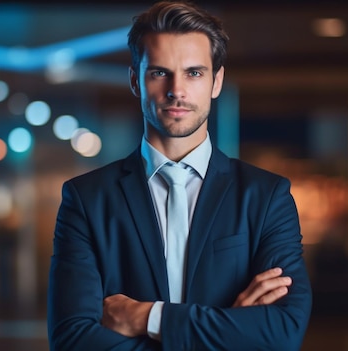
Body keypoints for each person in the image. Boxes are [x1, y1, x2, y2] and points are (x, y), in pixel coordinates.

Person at [47, 1, 312, 350]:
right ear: (135, 81)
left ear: (216, 81)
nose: (177, 90)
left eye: (194, 73)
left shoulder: (266, 197)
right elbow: (72, 340)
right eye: (159, 72)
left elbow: (283, 331)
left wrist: (148, 317)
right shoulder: (86, 199)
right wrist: (228, 331)